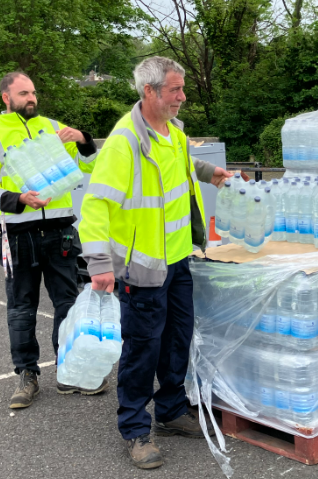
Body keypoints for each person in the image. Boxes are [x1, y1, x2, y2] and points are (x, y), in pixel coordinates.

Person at [79, 57, 235, 470]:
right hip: (142, 267)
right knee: (142, 349)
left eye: (182, 90)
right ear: (149, 92)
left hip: (178, 258)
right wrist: (99, 263)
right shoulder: (125, 141)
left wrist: (209, 172)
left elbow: (181, 166)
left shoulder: (174, 133)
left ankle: (169, 412)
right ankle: (134, 429)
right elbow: (95, 204)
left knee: (177, 339)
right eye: (175, 90)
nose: (182, 98)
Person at [0, 72, 105, 409]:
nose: (31, 98)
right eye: (23, 93)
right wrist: (18, 199)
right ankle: (27, 374)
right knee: (21, 307)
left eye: (33, 92)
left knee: (68, 304)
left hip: (59, 230)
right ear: (6, 97)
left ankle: (68, 369)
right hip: (18, 234)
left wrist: (85, 140)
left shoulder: (54, 127)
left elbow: (92, 168)